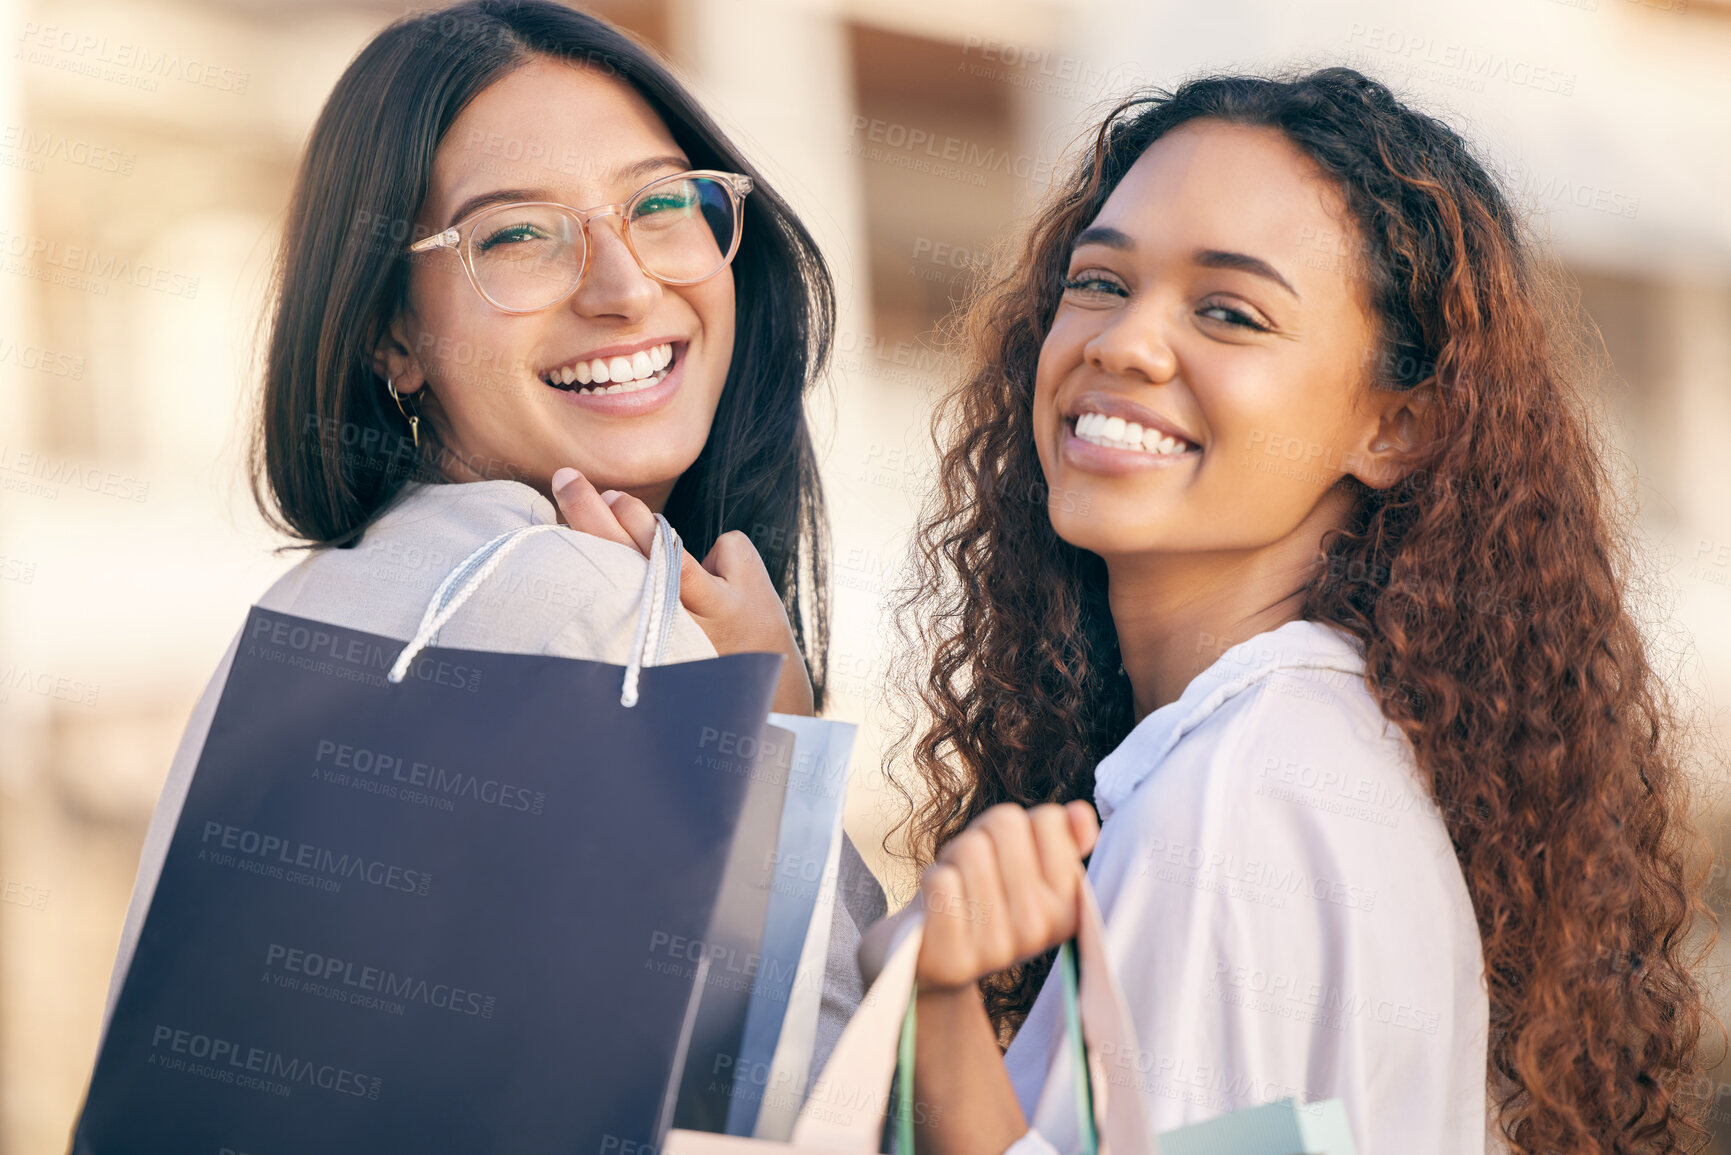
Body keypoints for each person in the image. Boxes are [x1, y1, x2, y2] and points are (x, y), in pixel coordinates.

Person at [890, 69, 1709, 1153]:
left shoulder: (1243, 797)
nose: (1124, 344)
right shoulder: (1308, 756)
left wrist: (938, 1010)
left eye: (1229, 312)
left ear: (1397, 427)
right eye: (1097, 282)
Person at [101, 0, 884, 1088]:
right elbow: (813, 1101)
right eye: (518, 233)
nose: (624, 286)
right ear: (391, 334)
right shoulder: (597, 609)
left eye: (660, 204)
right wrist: (775, 728)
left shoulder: (312, 611)